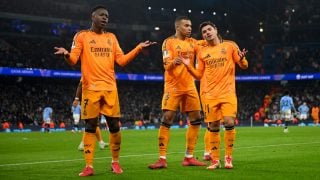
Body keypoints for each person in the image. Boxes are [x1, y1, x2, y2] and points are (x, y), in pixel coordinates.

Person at [54, 5, 156, 176]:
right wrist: (65, 53)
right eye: (101, 15)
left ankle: (115, 162)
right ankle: (89, 166)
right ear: (92, 16)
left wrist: (138, 48)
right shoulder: (82, 36)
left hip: (110, 88)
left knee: (114, 126)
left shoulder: (111, 37)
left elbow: (122, 61)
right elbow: (73, 60)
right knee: (90, 126)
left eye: (107, 16)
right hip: (90, 89)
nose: (105, 18)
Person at [180, 21, 248, 170]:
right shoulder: (202, 52)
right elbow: (198, 75)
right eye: (204, 32)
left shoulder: (230, 46)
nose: (207, 33)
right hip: (209, 95)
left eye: (209, 29)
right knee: (213, 126)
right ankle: (215, 161)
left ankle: (228, 158)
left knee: (229, 122)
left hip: (228, 93)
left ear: (216, 30)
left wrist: (242, 58)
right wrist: (188, 65)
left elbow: (244, 65)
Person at [148, 16, 207, 169]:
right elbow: (166, 65)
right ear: (178, 27)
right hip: (173, 87)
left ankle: (189, 157)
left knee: (196, 118)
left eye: (191, 26)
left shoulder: (193, 43)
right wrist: (174, 62)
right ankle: (162, 158)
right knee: (167, 117)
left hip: (190, 86)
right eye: (186, 25)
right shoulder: (169, 42)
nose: (189, 28)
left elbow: (209, 42)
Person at [74, 80, 108, 151]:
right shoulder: (88, 72)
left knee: (95, 124)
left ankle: (100, 142)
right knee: (90, 124)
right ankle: (83, 143)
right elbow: (80, 84)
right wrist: (77, 99)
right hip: (89, 101)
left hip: (94, 100)